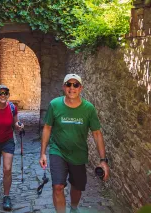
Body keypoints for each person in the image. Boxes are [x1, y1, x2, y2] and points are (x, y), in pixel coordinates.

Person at [39, 74, 110, 213]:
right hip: (57, 151)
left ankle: (74, 208)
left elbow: (96, 133)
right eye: (68, 85)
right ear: (63, 87)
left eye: (75, 85)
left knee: (77, 187)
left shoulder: (88, 109)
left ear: (80, 88)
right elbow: (47, 128)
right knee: (57, 186)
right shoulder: (55, 105)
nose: (72, 88)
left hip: (79, 153)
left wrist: (103, 160)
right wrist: (42, 153)